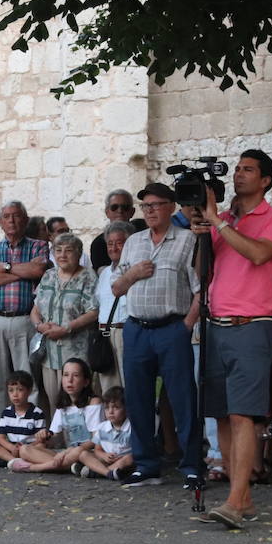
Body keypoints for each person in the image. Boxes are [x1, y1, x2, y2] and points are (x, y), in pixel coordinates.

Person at [190, 150, 272, 530]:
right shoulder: (225, 220)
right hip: (217, 322)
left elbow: (259, 255)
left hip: (253, 324)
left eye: (248, 170)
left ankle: (235, 500)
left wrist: (217, 220)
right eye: (237, 169)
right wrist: (205, 232)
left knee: (242, 413)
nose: (238, 175)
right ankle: (242, 498)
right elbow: (204, 270)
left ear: (266, 180)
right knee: (220, 414)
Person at [109, 183, 203, 489]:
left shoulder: (188, 240)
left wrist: (186, 325)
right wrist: (133, 274)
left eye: (156, 205)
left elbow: (202, 289)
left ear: (171, 207)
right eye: (145, 206)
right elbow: (116, 288)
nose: (149, 211)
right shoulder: (133, 241)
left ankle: (191, 465)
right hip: (137, 328)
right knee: (138, 400)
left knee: (182, 399)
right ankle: (146, 464)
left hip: (172, 327)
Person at [0, 201, 50, 437]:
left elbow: (38, 272)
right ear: (0, 222)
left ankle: (31, 435)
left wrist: (5, 268)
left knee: (29, 380)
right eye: (7, 217)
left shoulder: (40, 246)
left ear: (25, 220)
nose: (12, 221)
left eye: (17, 216)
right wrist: (21, 273)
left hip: (24, 320)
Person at [30, 231, 98, 421]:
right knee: (53, 399)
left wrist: (66, 328)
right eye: (58, 250)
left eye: (69, 250)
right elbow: (35, 308)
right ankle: (56, 438)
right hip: (49, 351)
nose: (63, 255)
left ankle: (79, 442)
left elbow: (94, 312)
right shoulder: (49, 275)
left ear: (78, 254)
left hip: (75, 349)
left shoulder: (88, 276)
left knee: (77, 398)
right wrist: (39, 326)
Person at [6, 358, 95, 474]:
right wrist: (44, 436)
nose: (70, 380)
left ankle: (34, 467)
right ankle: (69, 467)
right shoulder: (63, 405)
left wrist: (66, 452)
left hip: (87, 451)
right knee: (25, 449)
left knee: (78, 451)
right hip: (68, 454)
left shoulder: (93, 402)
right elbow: (53, 436)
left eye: (76, 376)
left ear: (86, 382)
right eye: (66, 375)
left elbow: (96, 440)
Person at [93, 220, 134, 395]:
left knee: (131, 386)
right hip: (106, 334)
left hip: (125, 331)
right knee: (108, 390)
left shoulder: (134, 271)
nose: (114, 248)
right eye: (110, 243)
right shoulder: (104, 274)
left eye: (119, 243)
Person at [0, 371, 48, 466]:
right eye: (11, 390)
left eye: (20, 390)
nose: (15, 394)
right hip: (11, 448)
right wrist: (12, 448)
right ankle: (15, 461)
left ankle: (5, 459)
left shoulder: (37, 413)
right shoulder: (6, 413)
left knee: (41, 446)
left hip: (29, 448)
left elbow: (40, 439)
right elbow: (1, 438)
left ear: (29, 391)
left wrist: (24, 448)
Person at [71, 387, 136, 480]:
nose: (110, 412)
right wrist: (104, 456)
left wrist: (123, 457)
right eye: (107, 408)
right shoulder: (102, 427)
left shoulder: (131, 427)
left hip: (123, 461)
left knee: (130, 458)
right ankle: (107, 473)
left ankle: (96, 472)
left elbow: (136, 449)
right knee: (83, 454)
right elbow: (98, 449)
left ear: (126, 409)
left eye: (116, 407)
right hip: (107, 460)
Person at [89, 189, 139, 273]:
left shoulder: (142, 236)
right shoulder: (98, 243)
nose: (120, 211)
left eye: (125, 207)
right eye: (114, 207)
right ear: (107, 212)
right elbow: (103, 273)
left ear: (132, 212)